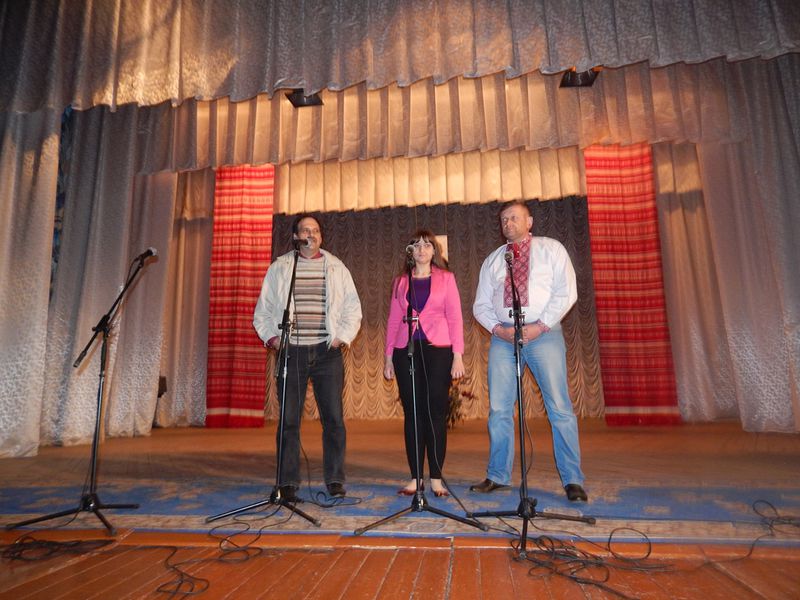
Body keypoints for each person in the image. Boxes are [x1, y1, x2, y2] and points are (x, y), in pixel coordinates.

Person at [471, 201, 587, 502]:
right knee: (499, 409)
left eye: (514, 218)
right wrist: (498, 329)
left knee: (559, 407)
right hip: (504, 338)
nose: (508, 223)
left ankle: (572, 479)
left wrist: (541, 326)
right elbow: (480, 305)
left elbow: (566, 291)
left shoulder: (552, 250)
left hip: (543, 334)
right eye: (503, 220)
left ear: (529, 221)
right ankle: (498, 475)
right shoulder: (494, 260)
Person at [253, 214, 362, 502]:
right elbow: (263, 310)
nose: (310, 234)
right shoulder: (281, 268)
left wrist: (341, 336)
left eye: (315, 230)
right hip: (292, 352)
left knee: (334, 419)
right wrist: (273, 339)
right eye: (304, 230)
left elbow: (353, 307)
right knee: (288, 420)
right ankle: (287, 482)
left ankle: (335, 479)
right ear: (295, 237)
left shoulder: (336, 267)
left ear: (321, 237)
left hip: (327, 352)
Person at [383, 230, 465, 497]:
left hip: (438, 351)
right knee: (413, 413)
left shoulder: (446, 278)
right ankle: (415, 476)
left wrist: (458, 355)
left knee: (435, 413)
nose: (421, 249)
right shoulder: (400, 282)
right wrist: (388, 356)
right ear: (410, 251)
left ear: (434, 251)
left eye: (427, 245)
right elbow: (393, 320)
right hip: (405, 351)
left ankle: (436, 478)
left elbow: (455, 317)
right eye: (416, 245)